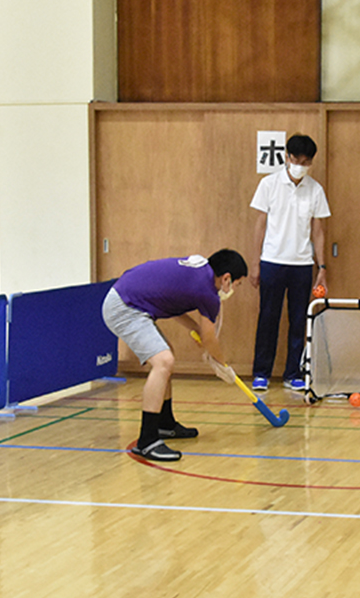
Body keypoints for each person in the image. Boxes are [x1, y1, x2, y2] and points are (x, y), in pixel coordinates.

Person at [102, 249, 248, 462]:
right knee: (164, 361)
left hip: (127, 296)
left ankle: (165, 424)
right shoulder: (208, 291)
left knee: (166, 355)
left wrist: (195, 329)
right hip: (124, 306)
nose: (235, 289)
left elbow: (172, 301)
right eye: (237, 284)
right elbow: (209, 339)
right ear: (226, 278)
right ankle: (147, 441)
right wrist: (222, 365)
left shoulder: (201, 271)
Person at [249, 133, 330, 392]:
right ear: (287, 156)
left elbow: (318, 231)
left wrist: (322, 268)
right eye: (297, 159)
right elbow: (259, 225)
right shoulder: (269, 184)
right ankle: (261, 372)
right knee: (268, 318)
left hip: (303, 265)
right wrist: (255, 263)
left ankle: (293, 373)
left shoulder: (315, 190)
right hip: (272, 261)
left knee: (298, 320)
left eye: (307, 161)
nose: (301, 165)